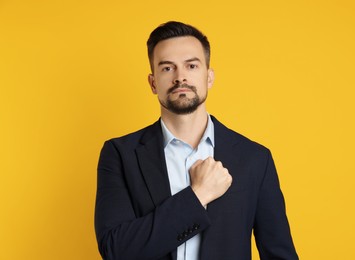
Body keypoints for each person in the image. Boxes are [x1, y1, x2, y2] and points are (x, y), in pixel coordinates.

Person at [95, 21, 299, 260]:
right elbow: (115, 250)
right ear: (153, 83)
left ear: (208, 77)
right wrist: (197, 196)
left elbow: (279, 254)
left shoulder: (254, 158)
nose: (180, 77)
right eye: (167, 68)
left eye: (191, 66)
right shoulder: (120, 154)